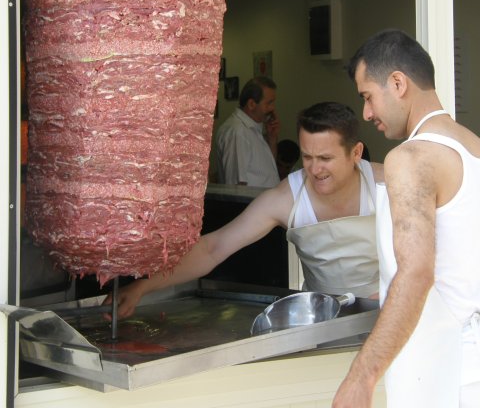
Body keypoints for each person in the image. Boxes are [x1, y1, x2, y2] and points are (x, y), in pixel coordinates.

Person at [104, 102, 384, 319]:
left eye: (326, 158)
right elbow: (213, 248)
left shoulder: (389, 183)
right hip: (323, 320)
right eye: (307, 157)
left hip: (387, 314)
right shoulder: (286, 197)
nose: (314, 169)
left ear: (356, 153)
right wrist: (142, 286)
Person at [333, 29, 480, 408]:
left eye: (368, 96)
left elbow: (417, 272)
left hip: (447, 375)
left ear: (398, 83)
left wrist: (361, 378)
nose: (366, 114)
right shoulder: (473, 148)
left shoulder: (411, 158)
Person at [215, 76, 280, 188]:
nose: (272, 108)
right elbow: (235, 188)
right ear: (251, 104)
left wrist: (272, 138)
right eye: (269, 103)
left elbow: (268, 170)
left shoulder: (252, 128)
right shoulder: (237, 132)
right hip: (252, 205)